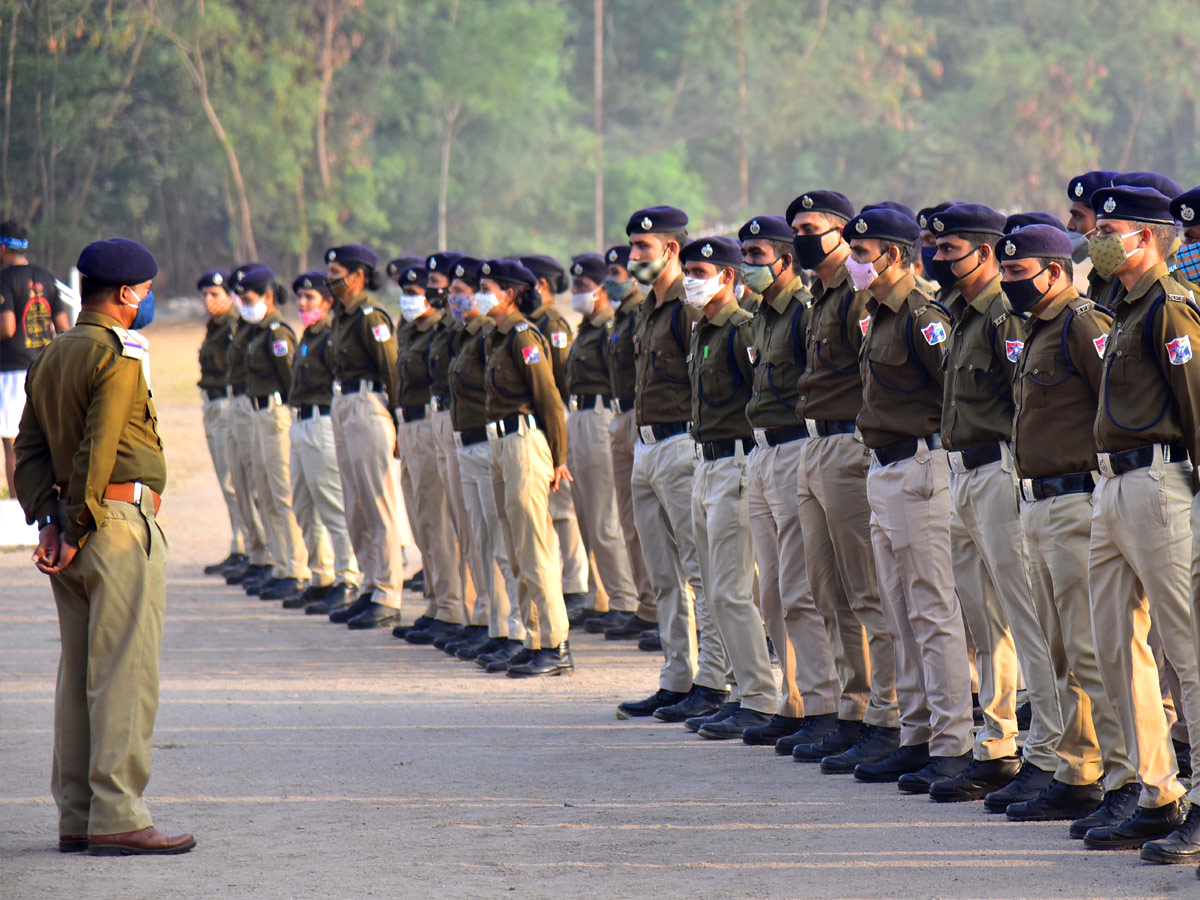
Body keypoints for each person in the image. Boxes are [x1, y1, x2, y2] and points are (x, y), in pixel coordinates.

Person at [13, 237, 194, 855]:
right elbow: (99, 442)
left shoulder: (52, 353)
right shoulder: (115, 355)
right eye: (143, 292)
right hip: (112, 523)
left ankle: (79, 812)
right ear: (123, 295)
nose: (145, 301)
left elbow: (27, 449)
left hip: (71, 525)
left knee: (79, 673)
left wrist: (50, 524)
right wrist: (82, 523)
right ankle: (118, 815)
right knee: (124, 671)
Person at [998, 225, 1138, 835]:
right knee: (1058, 650)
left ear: (1055, 271)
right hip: (1036, 504)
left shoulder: (1084, 323)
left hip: (1077, 501)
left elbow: (1117, 403)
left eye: (1019, 270)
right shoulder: (1038, 328)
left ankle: (1129, 779)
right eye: (1003, 271)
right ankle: (1078, 772)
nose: (1009, 281)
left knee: (1091, 650)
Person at [926, 202, 1065, 805]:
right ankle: (997, 745)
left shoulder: (1006, 317)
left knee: (1027, 617)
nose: (938, 258)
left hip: (1001, 471)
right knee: (984, 620)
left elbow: (1026, 403)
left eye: (951, 249)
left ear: (986, 253)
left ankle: (1051, 753)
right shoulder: (960, 314)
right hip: (962, 471)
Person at [1082, 185, 1200, 861]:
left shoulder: (1170, 311)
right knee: (1116, 645)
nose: (1099, 237)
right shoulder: (1123, 308)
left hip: (1162, 483)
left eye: (1112, 228)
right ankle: (1158, 791)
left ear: (1150, 238)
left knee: (1186, 652)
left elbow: (1196, 411)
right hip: (1113, 484)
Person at [846, 207, 976, 788]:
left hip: (921, 466)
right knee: (899, 610)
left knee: (932, 608)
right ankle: (917, 732)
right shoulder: (876, 314)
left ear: (894, 256)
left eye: (862, 253)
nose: (853, 263)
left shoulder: (924, 316)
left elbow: (955, 394)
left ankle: (952, 744)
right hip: (883, 468)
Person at [787, 192, 900, 771]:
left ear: (839, 232)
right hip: (814, 443)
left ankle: (888, 712)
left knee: (866, 589)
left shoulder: (858, 296)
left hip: (849, 444)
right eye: (797, 229)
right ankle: (852, 709)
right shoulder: (818, 295)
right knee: (826, 588)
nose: (802, 237)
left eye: (812, 227)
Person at [616, 207, 725, 722]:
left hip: (681, 444)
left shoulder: (687, 305)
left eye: (643, 246)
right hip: (645, 446)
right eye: (632, 246)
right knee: (662, 573)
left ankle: (714, 680)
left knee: (699, 569)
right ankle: (677, 677)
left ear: (671, 249)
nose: (633, 256)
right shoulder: (648, 306)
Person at [678, 235, 777, 739]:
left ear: (728, 277)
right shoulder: (704, 330)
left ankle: (760, 696)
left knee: (732, 590)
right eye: (687, 269)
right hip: (705, 465)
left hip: (735, 467)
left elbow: (759, 400)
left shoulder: (741, 330)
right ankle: (741, 691)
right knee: (715, 590)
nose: (690, 279)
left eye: (699, 270)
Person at [734, 214, 819, 747]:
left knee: (798, 587)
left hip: (793, 449)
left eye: (758, 256)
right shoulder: (763, 314)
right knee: (770, 590)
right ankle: (792, 698)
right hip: (761, 452)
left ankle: (818, 702)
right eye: (744, 255)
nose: (748, 266)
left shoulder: (802, 314)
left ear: (786, 261)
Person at [478, 258, 572, 677]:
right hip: (500, 443)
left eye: (487, 287)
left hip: (524, 442)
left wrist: (558, 457)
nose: (482, 294)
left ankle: (556, 642)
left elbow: (549, 399)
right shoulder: (496, 337)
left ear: (510, 293)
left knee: (534, 545)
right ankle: (532, 638)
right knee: (515, 548)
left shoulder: (523, 337)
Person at [445, 258, 524, 668]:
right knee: (484, 541)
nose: (462, 299)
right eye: (458, 292)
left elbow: (542, 394)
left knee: (503, 543)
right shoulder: (468, 335)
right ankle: (497, 628)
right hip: (469, 442)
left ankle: (517, 630)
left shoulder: (495, 335)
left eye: (469, 291)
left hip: (490, 441)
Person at [324, 243, 404, 629]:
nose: (331, 278)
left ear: (358, 276)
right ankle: (371, 585)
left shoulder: (371, 316)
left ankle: (388, 592)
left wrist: (399, 422)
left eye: (338, 272)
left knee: (377, 502)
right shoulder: (342, 314)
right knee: (354, 503)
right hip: (344, 406)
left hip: (369, 404)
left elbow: (392, 369)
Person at [563, 253, 640, 634]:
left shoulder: (612, 324)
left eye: (583, 285)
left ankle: (624, 600)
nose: (577, 292)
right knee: (588, 516)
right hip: (580, 416)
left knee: (606, 516)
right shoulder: (589, 327)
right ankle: (603, 596)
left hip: (600, 416)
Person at [391, 264, 467, 644]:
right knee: (423, 520)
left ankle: (452, 609)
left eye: (426, 286)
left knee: (439, 521)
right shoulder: (412, 329)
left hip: (434, 422)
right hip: (413, 424)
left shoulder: (446, 329)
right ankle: (437, 603)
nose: (412, 294)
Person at [520, 254, 594, 619]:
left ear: (542, 285)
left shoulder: (551, 324)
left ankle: (576, 583)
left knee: (564, 508)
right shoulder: (530, 323)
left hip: (556, 417)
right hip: (538, 421)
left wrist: (558, 431)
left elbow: (561, 380)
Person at [232, 263, 310, 602]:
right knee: (264, 492)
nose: (244, 304)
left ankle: (297, 567)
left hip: (276, 415)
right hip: (257, 413)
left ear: (266, 296)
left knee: (281, 494)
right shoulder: (255, 331)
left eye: (249, 298)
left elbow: (291, 379)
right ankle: (281, 565)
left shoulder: (277, 332)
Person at [424, 252, 489, 650]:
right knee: (464, 527)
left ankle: (488, 618)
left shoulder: (484, 333)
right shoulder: (457, 331)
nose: (449, 297)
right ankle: (477, 613)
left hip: (480, 432)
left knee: (481, 529)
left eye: (461, 291)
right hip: (454, 425)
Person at [286, 271, 360, 615]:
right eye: (300, 297)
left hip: (322, 422)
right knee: (303, 504)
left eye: (310, 297)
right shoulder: (308, 336)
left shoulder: (331, 335)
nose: (303, 303)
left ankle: (348, 576)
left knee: (332, 504)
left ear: (328, 302)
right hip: (300, 423)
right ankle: (321, 576)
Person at [599, 244, 659, 643]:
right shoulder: (620, 318)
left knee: (657, 524)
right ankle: (647, 604)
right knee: (631, 520)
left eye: (619, 272)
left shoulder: (643, 312)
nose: (612, 280)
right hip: (620, 416)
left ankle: (661, 608)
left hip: (644, 417)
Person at [1, 221, 69, 497]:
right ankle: (54, 506)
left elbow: (7, 328)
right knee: (49, 442)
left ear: (2, 248)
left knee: (14, 444)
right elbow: (64, 326)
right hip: (46, 369)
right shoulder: (46, 276)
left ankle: (21, 509)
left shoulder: (4, 280)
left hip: (12, 372)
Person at [220, 281, 273, 589]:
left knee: (267, 490)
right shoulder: (245, 328)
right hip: (240, 402)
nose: (241, 304)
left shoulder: (272, 332)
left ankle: (276, 559)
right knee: (241, 483)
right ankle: (259, 553)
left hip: (264, 409)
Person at [195, 269, 247, 575]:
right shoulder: (214, 328)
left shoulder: (234, 327)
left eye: (215, 294)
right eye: (205, 295)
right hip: (212, 402)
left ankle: (247, 546)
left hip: (228, 403)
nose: (208, 300)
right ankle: (240, 543)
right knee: (226, 480)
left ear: (231, 297)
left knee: (235, 480)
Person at [1065, 171, 1119, 303]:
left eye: (1078, 216)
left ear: (1103, 221)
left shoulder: (1124, 278)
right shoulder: (1100, 273)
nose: (1070, 226)